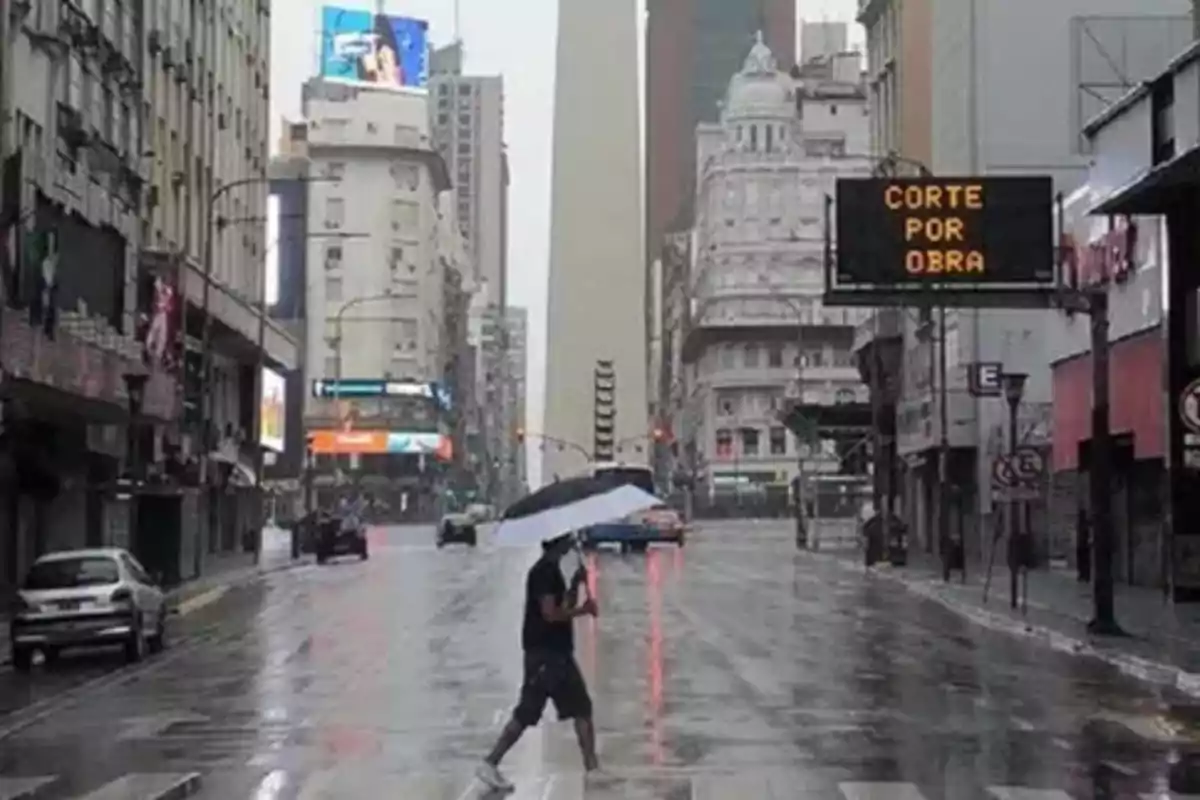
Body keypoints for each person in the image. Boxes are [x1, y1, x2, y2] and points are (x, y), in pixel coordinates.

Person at [476, 533, 599, 792]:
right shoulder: (544, 572)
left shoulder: (552, 571)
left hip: (551, 654)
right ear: (559, 543)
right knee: (575, 709)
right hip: (548, 656)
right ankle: (592, 769)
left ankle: (491, 762)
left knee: (535, 711)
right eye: (568, 539)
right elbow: (551, 615)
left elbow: (560, 607)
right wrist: (584, 610)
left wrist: (576, 585)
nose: (572, 543)